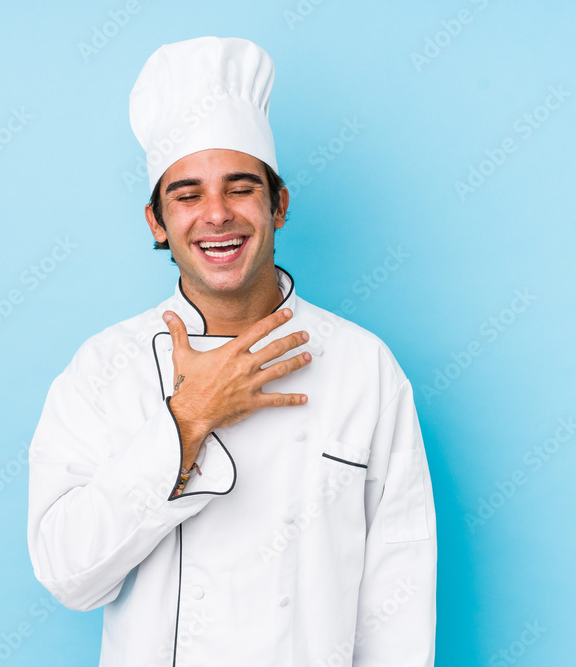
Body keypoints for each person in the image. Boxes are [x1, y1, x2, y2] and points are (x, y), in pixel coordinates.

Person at [27, 36, 436, 666]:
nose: (215, 215)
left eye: (241, 189)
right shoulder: (104, 368)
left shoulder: (363, 367)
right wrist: (188, 419)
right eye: (187, 196)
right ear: (157, 222)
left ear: (278, 204)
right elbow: (68, 574)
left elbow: (398, 597)